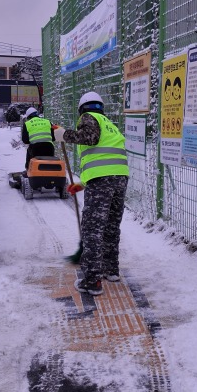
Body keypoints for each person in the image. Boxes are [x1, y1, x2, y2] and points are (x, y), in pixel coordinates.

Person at [53, 91, 129, 296]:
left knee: (93, 229)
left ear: (82, 109)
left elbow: (90, 138)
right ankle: (111, 270)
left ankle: (92, 280)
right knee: (111, 227)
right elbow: (105, 159)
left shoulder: (88, 117)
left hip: (103, 181)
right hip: (120, 179)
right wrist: (83, 184)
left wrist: (64, 134)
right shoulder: (110, 125)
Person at [21, 107, 55, 171]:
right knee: (49, 164)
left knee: (30, 155)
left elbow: (25, 140)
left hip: (35, 149)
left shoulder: (27, 124)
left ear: (28, 117)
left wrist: (33, 139)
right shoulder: (47, 122)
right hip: (49, 148)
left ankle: (28, 170)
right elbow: (53, 138)